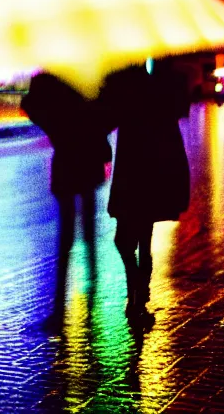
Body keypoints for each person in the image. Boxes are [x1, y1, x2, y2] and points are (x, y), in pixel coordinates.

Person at [99, 60, 191, 324]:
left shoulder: (134, 91)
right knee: (142, 241)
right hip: (147, 177)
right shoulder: (151, 89)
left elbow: (108, 120)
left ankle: (136, 296)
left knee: (128, 240)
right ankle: (138, 294)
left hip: (134, 176)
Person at [21, 73, 112, 330]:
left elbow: (32, 108)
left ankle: (60, 307)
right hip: (88, 162)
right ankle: (93, 281)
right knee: (87, 227)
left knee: (66, 235)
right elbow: (104, 120)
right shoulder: (86, 84)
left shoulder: (51, 90)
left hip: (65, 165)